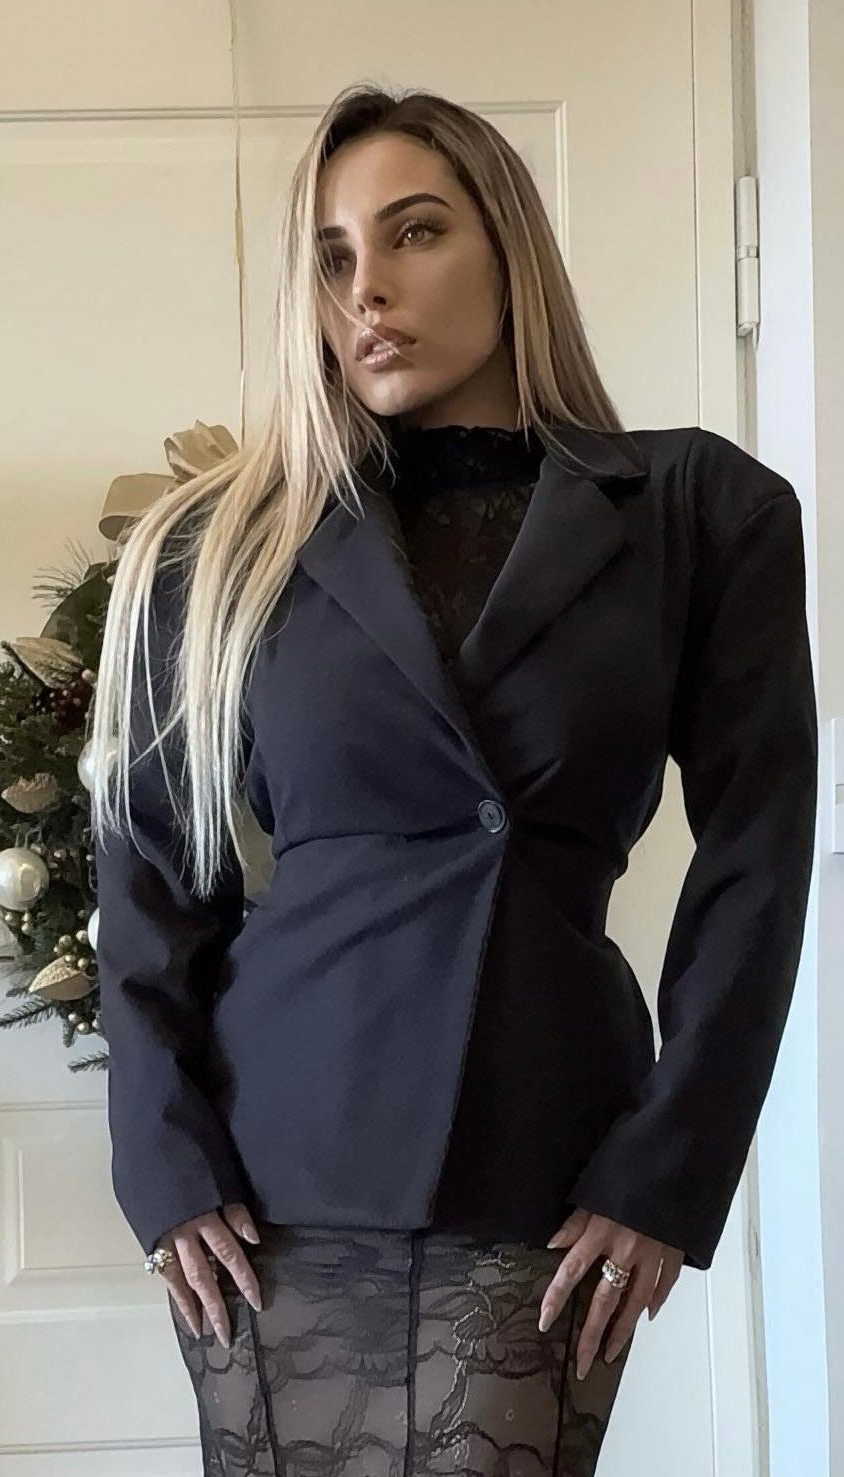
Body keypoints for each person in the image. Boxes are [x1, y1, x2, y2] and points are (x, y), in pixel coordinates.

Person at [88, 83, 818, 1476]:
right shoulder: (218, 543)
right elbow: (149, 875)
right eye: (332, 256)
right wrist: (161, 1160)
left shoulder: (701, 512)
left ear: (508, 248)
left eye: (414, 233)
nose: (368, 290)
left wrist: (671, 1162)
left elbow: (757, 861)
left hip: (549, 1139)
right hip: (280, 1151)